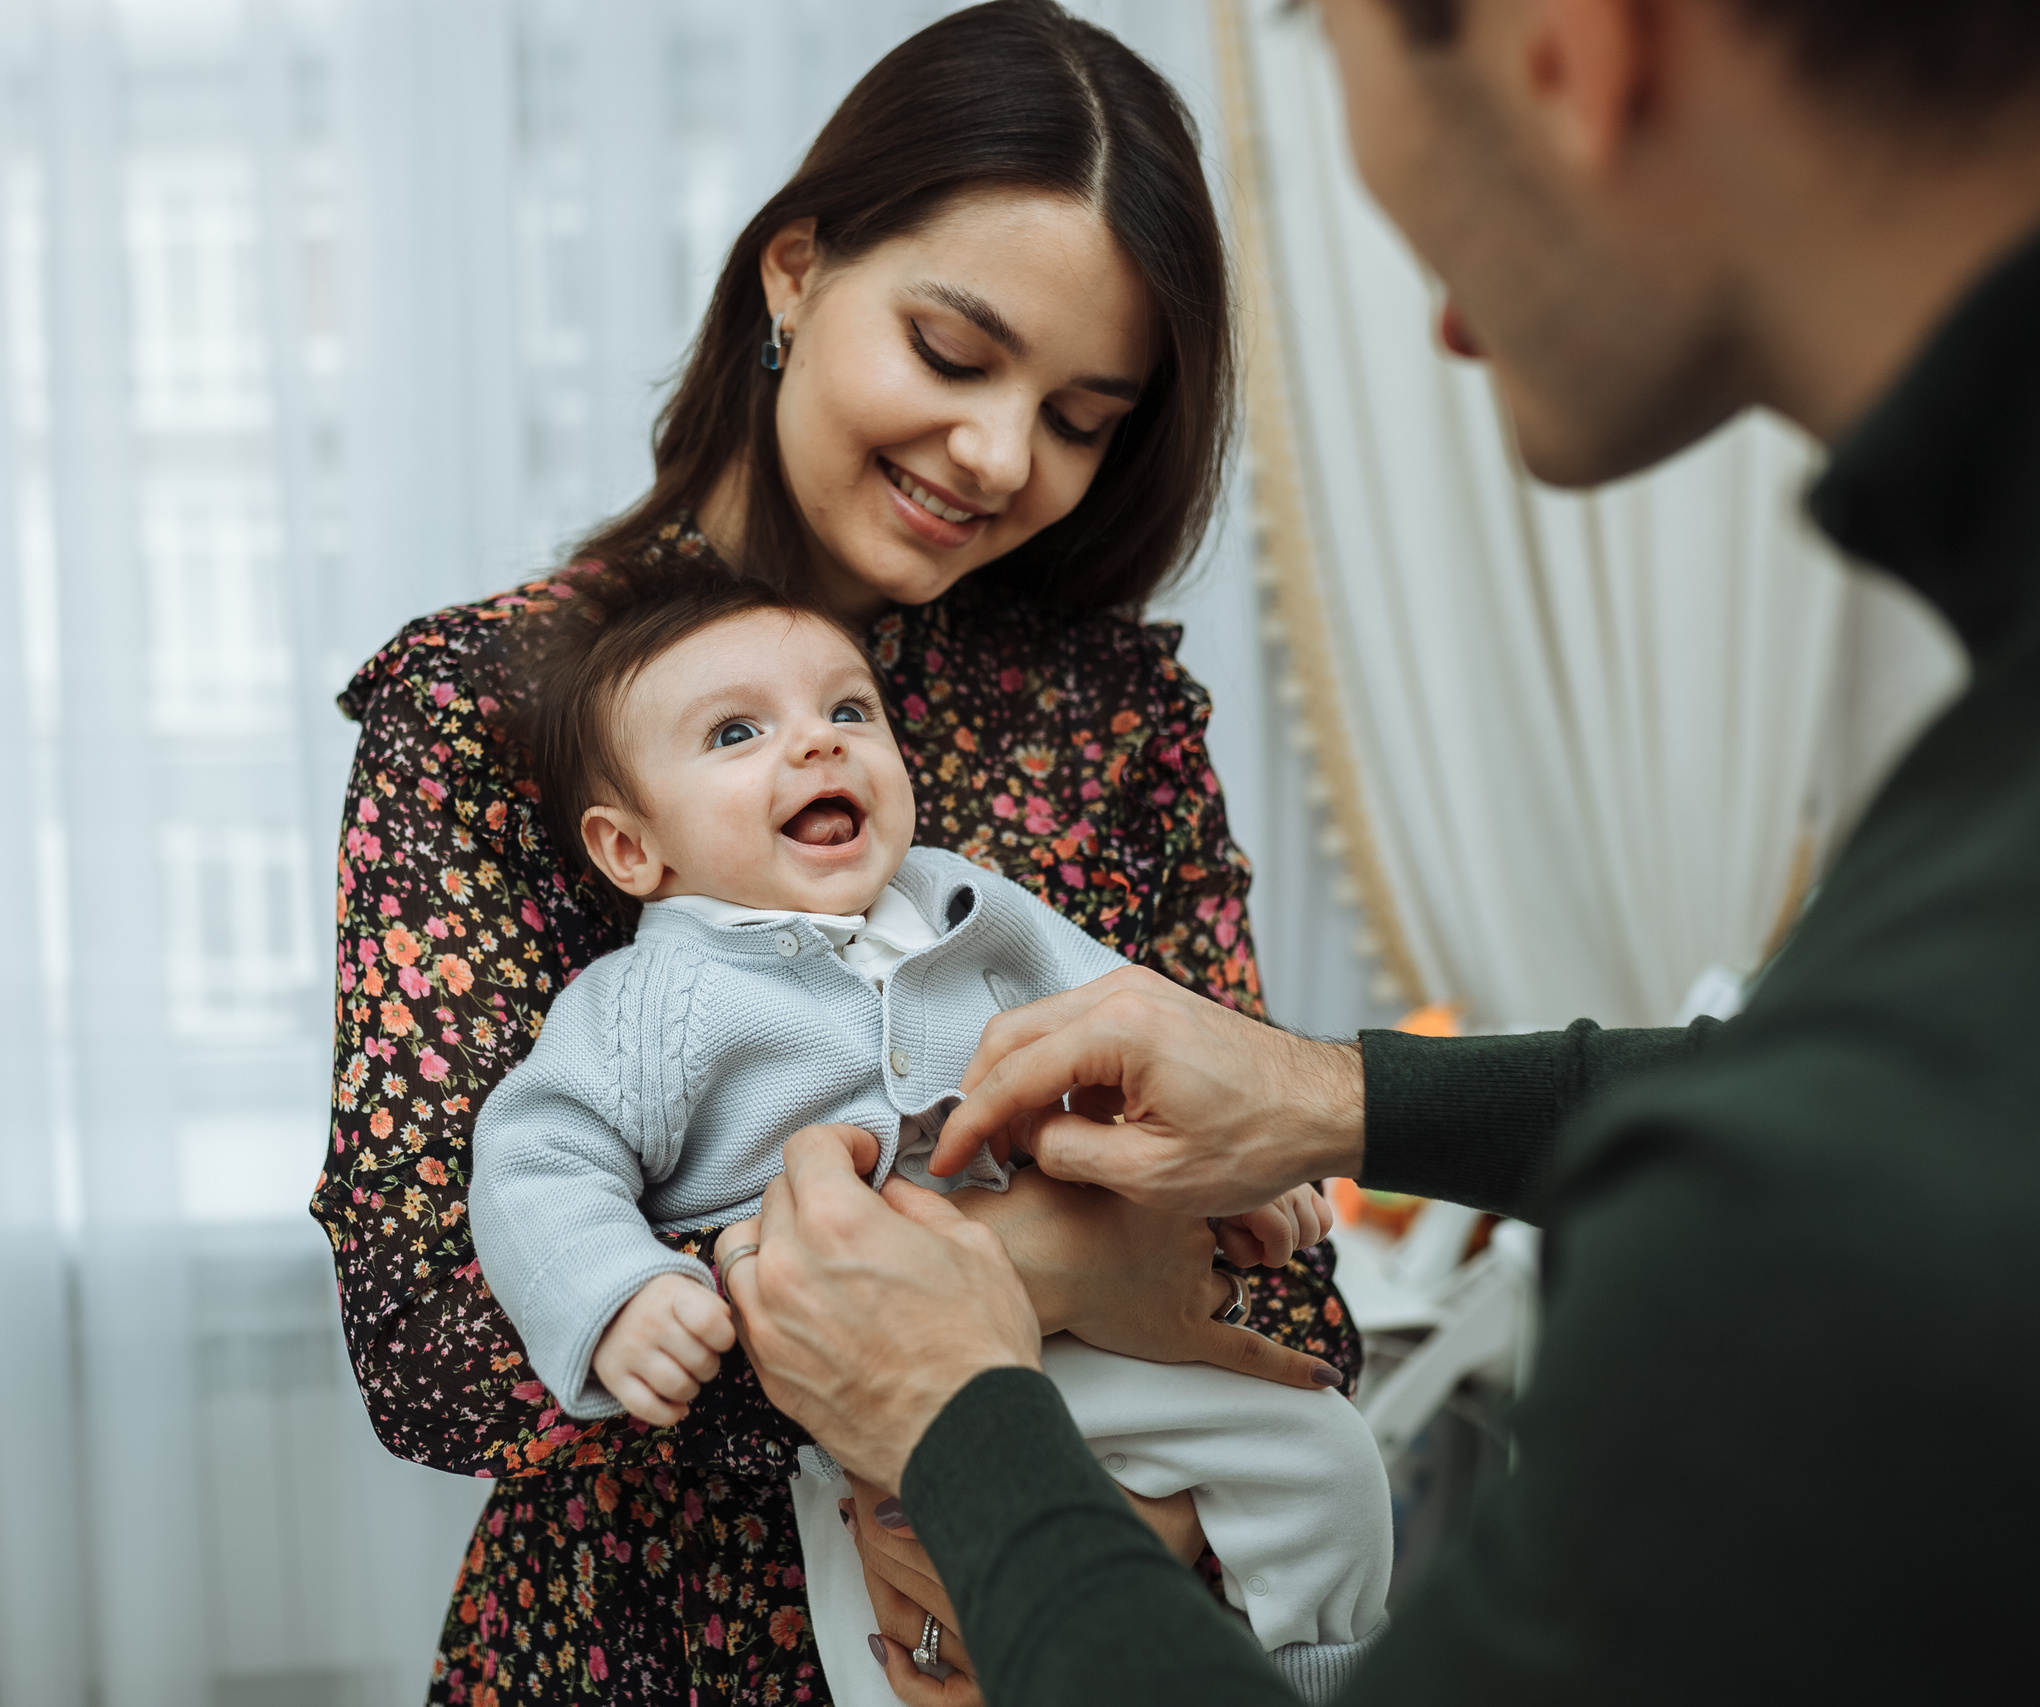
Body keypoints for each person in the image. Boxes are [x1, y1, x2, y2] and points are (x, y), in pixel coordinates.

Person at [719, 0, 2040, 1701]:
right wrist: (1328, 1095)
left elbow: (1292, 1316)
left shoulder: (1818, 1187)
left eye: (1330, 47)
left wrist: (965, 1413)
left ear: (1566, 46)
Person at [313, 6, 1367, 1701]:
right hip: (646, 1652)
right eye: (955, 354)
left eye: (1084, 416)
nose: (1005, 456)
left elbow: (1291, 1300)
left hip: (1074, 1620)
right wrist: (1048, 1268)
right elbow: (433, 1337)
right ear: (793, 271)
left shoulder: (1108, 714)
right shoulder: (491, 710)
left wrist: (1120, 1551)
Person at [465, 564, 1389, 1705]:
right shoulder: (647, 1001)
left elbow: (1151, 1041)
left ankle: (1319, 1673)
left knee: (1327, 1457)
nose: (818, 745)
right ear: (628, 850)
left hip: (1095, 1354)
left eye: (848, 711)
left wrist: (1235, 1167)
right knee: (899, 1652)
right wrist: (615, 1292)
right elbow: (535, 1155)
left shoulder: (969, 909)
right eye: (738, 732)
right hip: (864, 1399)